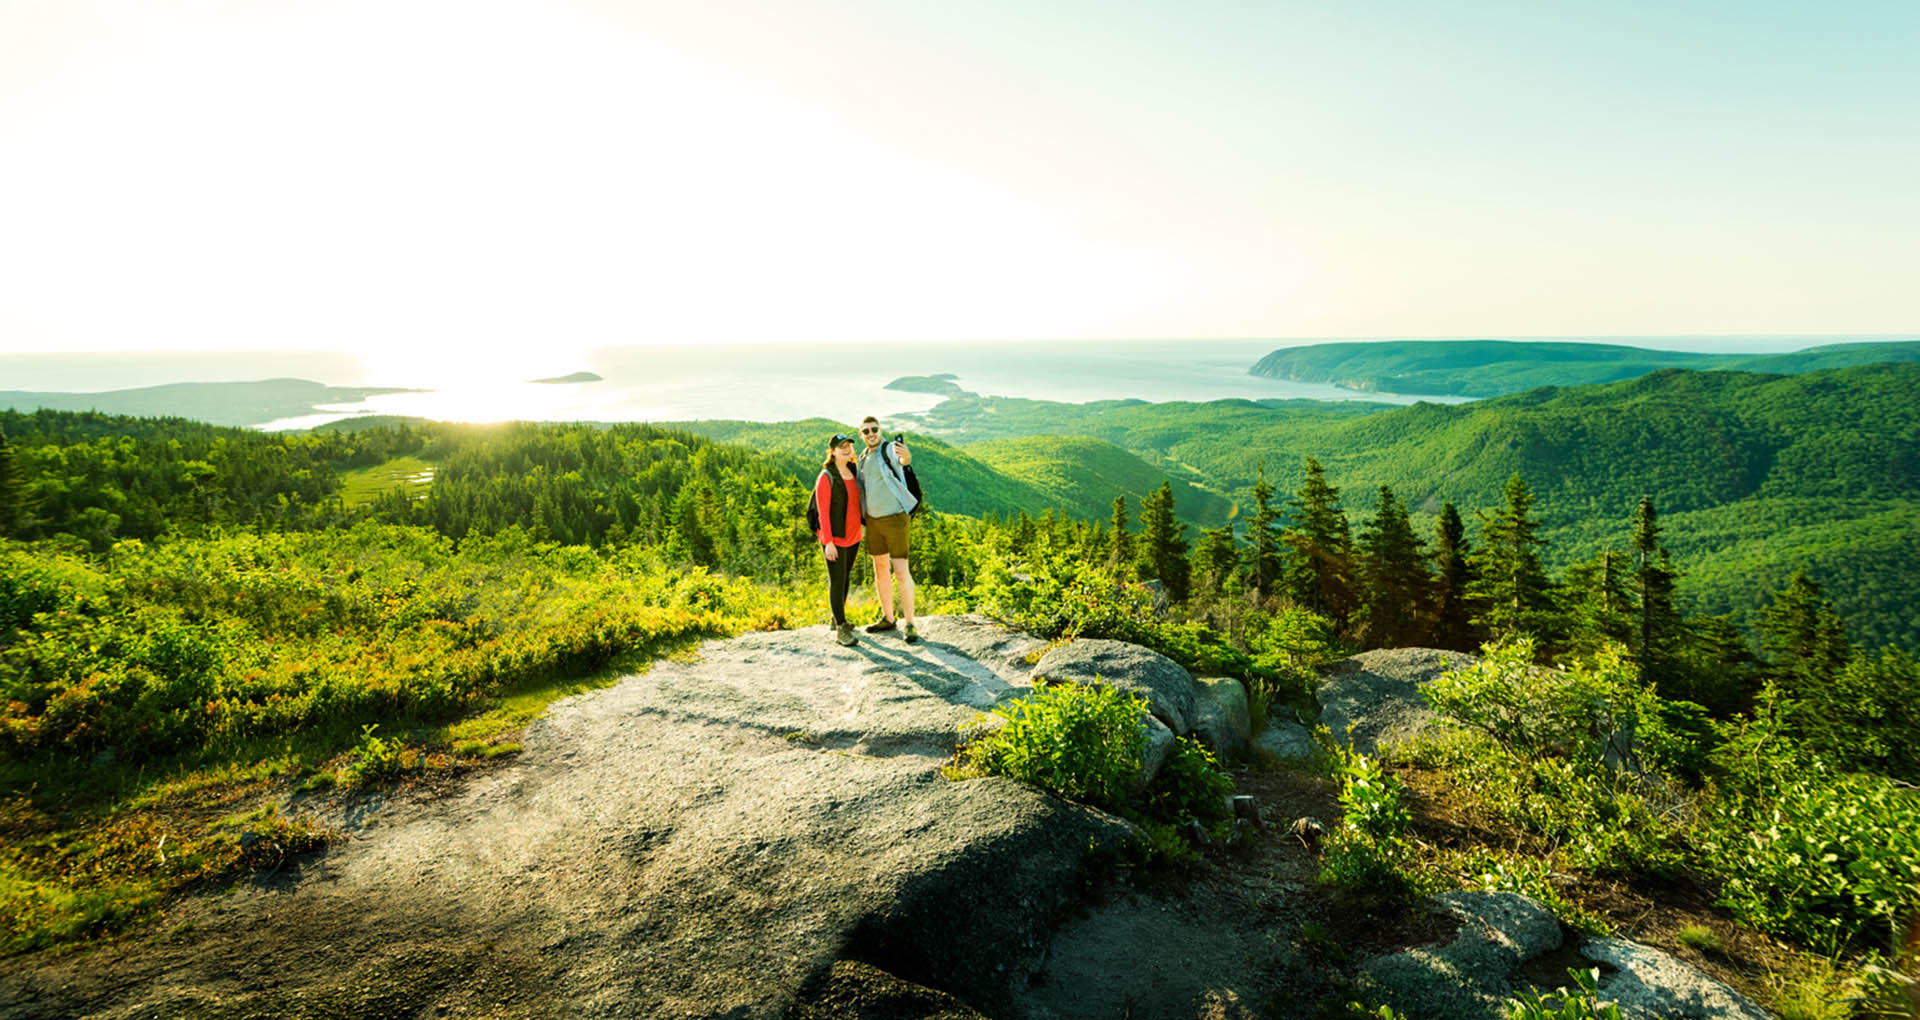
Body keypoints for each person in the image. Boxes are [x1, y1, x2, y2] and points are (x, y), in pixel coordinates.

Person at [855, 415, 920, 643]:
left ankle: (910, 623)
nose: (871, 434)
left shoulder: (888, 449)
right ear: (861, 434)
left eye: (874, 429)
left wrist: (907, 458)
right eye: (866, 431)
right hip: (873, 521)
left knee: (901, 571)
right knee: (880, 570)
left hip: (895, 518)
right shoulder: (863, 457)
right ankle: (888, 618)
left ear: (880, 430)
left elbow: (902, 460)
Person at [812, 433, 863, 646]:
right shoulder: (826, 476)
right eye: (841, 446)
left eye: (848, 446)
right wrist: (829, 542)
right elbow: (823, 512)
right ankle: (841, 629)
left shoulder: (852, 470)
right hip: (835, 539)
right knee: (836, 581)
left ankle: (837, 618)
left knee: (845, 577)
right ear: (832, 451)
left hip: (853, 536)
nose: (846, 449)